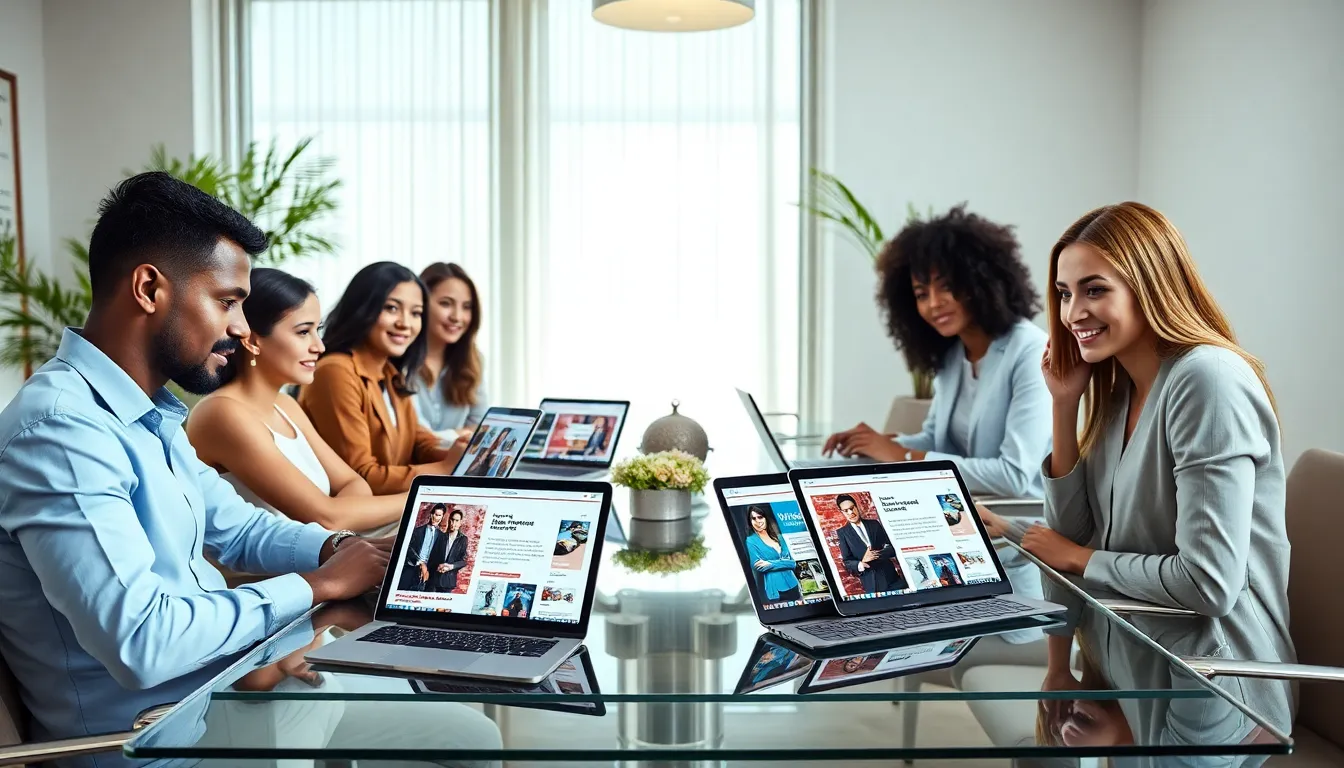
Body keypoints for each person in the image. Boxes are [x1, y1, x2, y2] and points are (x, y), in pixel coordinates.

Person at [0, 172, 388, 752]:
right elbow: (142, 642)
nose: (240, 327)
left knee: (454, 732)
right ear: (150, 289)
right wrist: (319, 583)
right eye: (228, 301)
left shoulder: (150, 412)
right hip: (153, 744)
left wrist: (337, 551)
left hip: (215, 700)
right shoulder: (61, 431)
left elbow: (236, 528)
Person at [990, 201, 1293, 734]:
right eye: (1064, 294)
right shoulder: (1115, 390)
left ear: (1150, 284)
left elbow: (1207, 584)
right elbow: (1068, 538)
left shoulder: (1209, 381)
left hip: (1214, 686)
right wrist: (1064, 406)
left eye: (1095, 289)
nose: (1071, 313)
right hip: (1127, 663)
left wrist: (1082, 558)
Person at [822, 205, 1052, 499]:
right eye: (921, 294)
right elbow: (936, 439)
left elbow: (1014, 475)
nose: (934, 303)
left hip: (1020, 519)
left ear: (980, 282)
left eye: (947, 287)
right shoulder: (954, 352)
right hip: (965, 505)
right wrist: (877, 443)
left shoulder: (1031, 351)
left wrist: (901, 455)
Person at [186, 268, 407, 540]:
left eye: (318, 330)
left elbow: (353, 484)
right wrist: (422, 499)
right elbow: (328, 516)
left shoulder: (285, 405)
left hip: (320, 554)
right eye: (304, 332)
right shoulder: (222, 413)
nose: (319, 346)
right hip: (267, 577)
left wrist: (342, 513)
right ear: (253, 341)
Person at [300, 262, 466, 494]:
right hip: (356, 518)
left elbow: (418, 442)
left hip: (387, 508)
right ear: (363, 308)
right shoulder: (335, 371)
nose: (405, 323)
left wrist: (465, 453)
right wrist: (447, 467)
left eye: (416, 313)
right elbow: (362, 475)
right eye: (391, 308)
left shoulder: (388, 372)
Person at [415, 262, 489, 440]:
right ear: (421, 304)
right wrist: (461, 435)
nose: (457, 317)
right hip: (410, 466)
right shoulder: (398, 360)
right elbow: (413, 439)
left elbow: (481, 428)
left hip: (453, 465)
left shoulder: (472, 360)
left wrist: (443, 438)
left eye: (466, 307)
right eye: (446, 304)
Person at [834, 494, 905, 593]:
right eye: (846, 511)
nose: (851, 512)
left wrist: (876, 554)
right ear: (842, 512)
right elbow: (847, 561)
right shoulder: (842, 533)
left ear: (856, 506)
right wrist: (862, 562)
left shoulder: (874, 524)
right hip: (872, 583)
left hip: (892, 578)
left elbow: (891, 548)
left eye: (852, 508)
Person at [743, 504, 802, 603]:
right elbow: (758, 566)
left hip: (793, 584)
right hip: (775, 590)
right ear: (750, 522)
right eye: (753, 518)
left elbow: (792, 563)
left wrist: (770, 564)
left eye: (760, 517)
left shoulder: (780, 538)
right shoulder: (751, 541)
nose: (757, 521)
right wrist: (784, 562)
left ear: (765, 518)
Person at [400, 504, 447, 591]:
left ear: (442, 516)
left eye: (439, 515)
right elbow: (408, 549)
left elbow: (440, 557)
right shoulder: (417, 531)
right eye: (434, 514)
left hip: (430, 573)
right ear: (431, 514)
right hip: (412, 568)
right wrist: (420, 563)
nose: (435, 517)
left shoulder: (442, 536)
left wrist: (429, 570)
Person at [431, 507, 470, 592]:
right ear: (449, 520)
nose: (453, 523)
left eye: (456, 521)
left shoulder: (463, 539)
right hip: (434, 579)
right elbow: (433, 557)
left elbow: (464, 561)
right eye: (452, 520)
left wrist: (450, 567)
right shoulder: (441, 537)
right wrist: (437, 566)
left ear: (460, 523)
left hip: (448, 582)